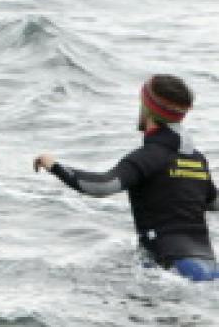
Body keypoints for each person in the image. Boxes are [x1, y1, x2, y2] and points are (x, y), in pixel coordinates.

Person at [34, 75, 217, 281]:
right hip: (209, 267)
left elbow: (102, 186)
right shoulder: (197, 160)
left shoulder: (148, 157)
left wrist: (54, 166)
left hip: (171, 267)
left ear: (147, 108)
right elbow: (213, 202)